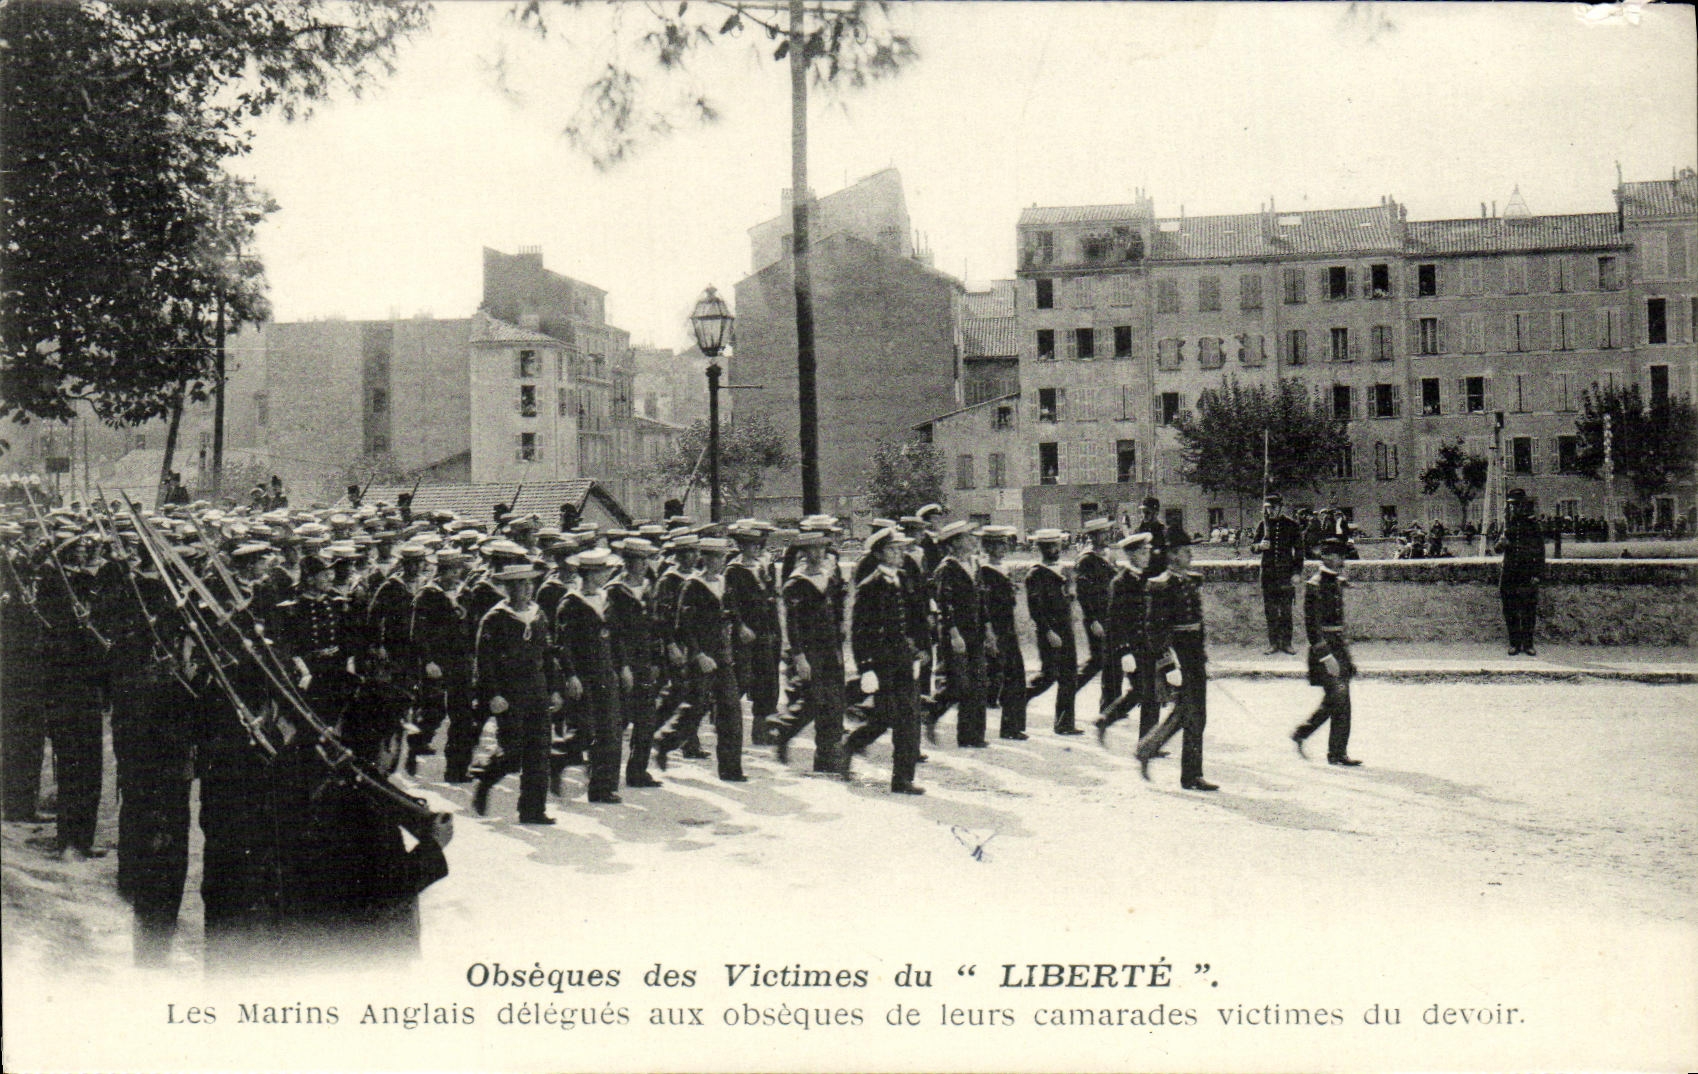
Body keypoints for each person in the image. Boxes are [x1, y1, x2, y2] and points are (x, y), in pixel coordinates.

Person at [471, 560, 563, 825]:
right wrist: (493, 694)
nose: (525, 588)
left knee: (539, 752)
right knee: (512, 752)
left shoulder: (538, 614)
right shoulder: (495, 618)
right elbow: (484, 661)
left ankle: (533, 810)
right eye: (518, 584)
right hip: (509, 694)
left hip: (537, 690)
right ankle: (486, 776)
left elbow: (548, 655)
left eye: (528, 583)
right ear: (508, 588)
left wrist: (554, 689)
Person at [841, 527, 924, 793]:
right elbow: (859, 632)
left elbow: (914, 617)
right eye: (893, 549)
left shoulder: (903, 578)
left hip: (903, 660)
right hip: (881, 664)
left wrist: (920, 646)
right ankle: (850, 746)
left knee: (910, 719)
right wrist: (865, 668)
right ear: (879, 554)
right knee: (884, 717)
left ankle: (903, 779)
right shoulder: (870, 587)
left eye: (901, 549)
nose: (900, 554)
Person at [1134, 530, 1216, 791]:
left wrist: (1201, 655)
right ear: (1172, 556)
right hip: (1177, 657)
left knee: (1194, 715)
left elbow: (1198, 623)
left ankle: (1167, 760)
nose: (1190, 554)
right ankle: (1185, 772)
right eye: (1184, 551)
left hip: (1193, 657)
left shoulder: (1190, 581)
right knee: (1188, 713)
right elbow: (1154, 630)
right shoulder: (1160, 585)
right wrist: (1168, 664)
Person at [553, 547, 628, 802]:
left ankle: (602, 787)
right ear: (589, 574)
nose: (606, 575)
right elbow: (563, 645)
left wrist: (623, 666)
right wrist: (570, 675)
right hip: (584, 677)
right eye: (601, 571)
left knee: (611, 731)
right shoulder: (570, 603)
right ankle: (557, 759)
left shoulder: (606, 600)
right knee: (584, 731)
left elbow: (616, 637)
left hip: (607, 673)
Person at [770, 531, 844, 772]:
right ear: (803, 553)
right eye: (812, 549)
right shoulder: (796, 583)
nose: (818, 554)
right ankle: (784, 731)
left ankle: (827, 758)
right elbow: (792, 625)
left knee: (834, 701)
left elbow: (837, 611)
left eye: (821, 549)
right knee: (813, 699)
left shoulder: (828, 577)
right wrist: (799, 656)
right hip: (809, 649)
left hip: (830, 648)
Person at [1291, 538, 1361, 766]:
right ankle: (1335, 752)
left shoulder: (1332, 580)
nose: (1343, 560)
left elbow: (1336, 583)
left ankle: (1307, 736)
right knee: (1340, 700)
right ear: (1327, 557)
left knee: (1337, 700)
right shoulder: (1316, 585)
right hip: (1326, 650)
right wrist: (1327, 657)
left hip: (1337, 646)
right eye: (1339, 555)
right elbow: (1312, 627)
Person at [411, 549, 475, 781]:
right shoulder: (427, 595)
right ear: (441, 571)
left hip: (461, 662)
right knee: (434, 710)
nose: (455, 575)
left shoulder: (465, 593)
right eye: (450, 570)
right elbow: (418, 632)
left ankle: (456, 769)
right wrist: (428, 660)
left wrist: (473, 658)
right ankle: (416, 741)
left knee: (463, 715)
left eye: (458, 570)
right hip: (437, 662)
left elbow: (472, 627)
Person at [926, 520, 989, 747]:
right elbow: (945, 603)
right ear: (953, 544)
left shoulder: (975, 564)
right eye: (966, 538)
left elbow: (982, 600)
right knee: (958, 684)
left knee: (979, 682)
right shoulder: (947, 568)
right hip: (956, 634)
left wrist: (988, 629)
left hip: (976, 631)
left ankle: (972, 736)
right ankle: (931, 713)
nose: (972, 541)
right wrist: (953, 633)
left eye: (971, 537)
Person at [1094, 532, 1158, 743]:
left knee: (1146, 691)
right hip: (1131, 646)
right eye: (1142, 552)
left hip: (1147, 644)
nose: (1147, 555)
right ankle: (1147, 741)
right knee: (1146, 691)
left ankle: (1108, 720)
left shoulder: (1146, 578)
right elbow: (1115, 619)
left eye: (1148, 551)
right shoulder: (1121, 582)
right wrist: (1124, 651)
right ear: (1131, 555)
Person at [725, 521, 781, 745]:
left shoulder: (760, 567)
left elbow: (768, 598)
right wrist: (739, 626)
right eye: (751, 545)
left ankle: (761, 731)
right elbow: (731, 602)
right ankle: (725, 720)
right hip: (745, 631)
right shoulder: (734, 569)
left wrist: (773, 628)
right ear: (741, 546)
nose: (757, 548)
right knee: (742, 677)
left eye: (758, 544)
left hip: (763, 629)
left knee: (766, 678)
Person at [1024, 528, 1079, 735]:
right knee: (1049, 675)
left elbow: (1067, 600)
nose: (1054, 550)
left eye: (1056, 545)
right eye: (1048, 546)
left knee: (1069, 676)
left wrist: (1071, 592)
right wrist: (1048, 631)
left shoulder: (1062, 572)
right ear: (1041, 549)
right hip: (1050, 631)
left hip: (1065, 628)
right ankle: (1018, 698)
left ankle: (1064, 723)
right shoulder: (1036, 574)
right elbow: (1035, 608)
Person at [977, 525, 1027, 741]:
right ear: (988, 546)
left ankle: (1012, 726)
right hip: (996, 629)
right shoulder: (985, 571)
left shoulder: (1003, 568)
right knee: (1001, 675)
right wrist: (989, 635)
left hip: (1007, 627)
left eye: (1004, 543)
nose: (1003, 548)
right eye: (998, 544)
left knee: (1015, 676)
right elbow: (985, 604)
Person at [1072, 517, 1119, 708]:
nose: (1108, 536)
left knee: (1112, 660)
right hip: (1097, 617)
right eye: (1103, 533)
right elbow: (1083, 593)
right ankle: (1068, 690)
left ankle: (1111, 704)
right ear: (1093, 536)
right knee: (1098, 661)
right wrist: (1092, 620)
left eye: (1108, 532)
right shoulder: (1086, 560)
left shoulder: (1106, 556)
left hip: (1110, 615)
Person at [1251, 493, 1303, 654]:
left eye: (1272, 508)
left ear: (1281, 507)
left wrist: (1296, 572)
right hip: (1268, 575)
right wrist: (1260, 546)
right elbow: (1252, 548)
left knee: (1286, 610)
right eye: (1267, 508)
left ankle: (1287, 643)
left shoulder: (1292, 525)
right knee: (1271, 611)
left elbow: (1299, 551)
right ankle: (1273, 643)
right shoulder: (1263, 525)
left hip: (1286, 574)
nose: (1270, 511)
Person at [1497, 489, 1546, 656]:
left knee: (1528, 609)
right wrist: (1501, 543)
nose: (1514, 508)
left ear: (1523, 505)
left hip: (1527, 571)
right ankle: (1514, 643)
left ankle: (1528, 644)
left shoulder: (1532, 524)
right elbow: (1497, 549)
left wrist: (1537, 574)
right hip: (1510, 572)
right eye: (1511, 505)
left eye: (1517, 504)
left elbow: (1540, 551)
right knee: (1509, 609)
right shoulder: (1507, 524)